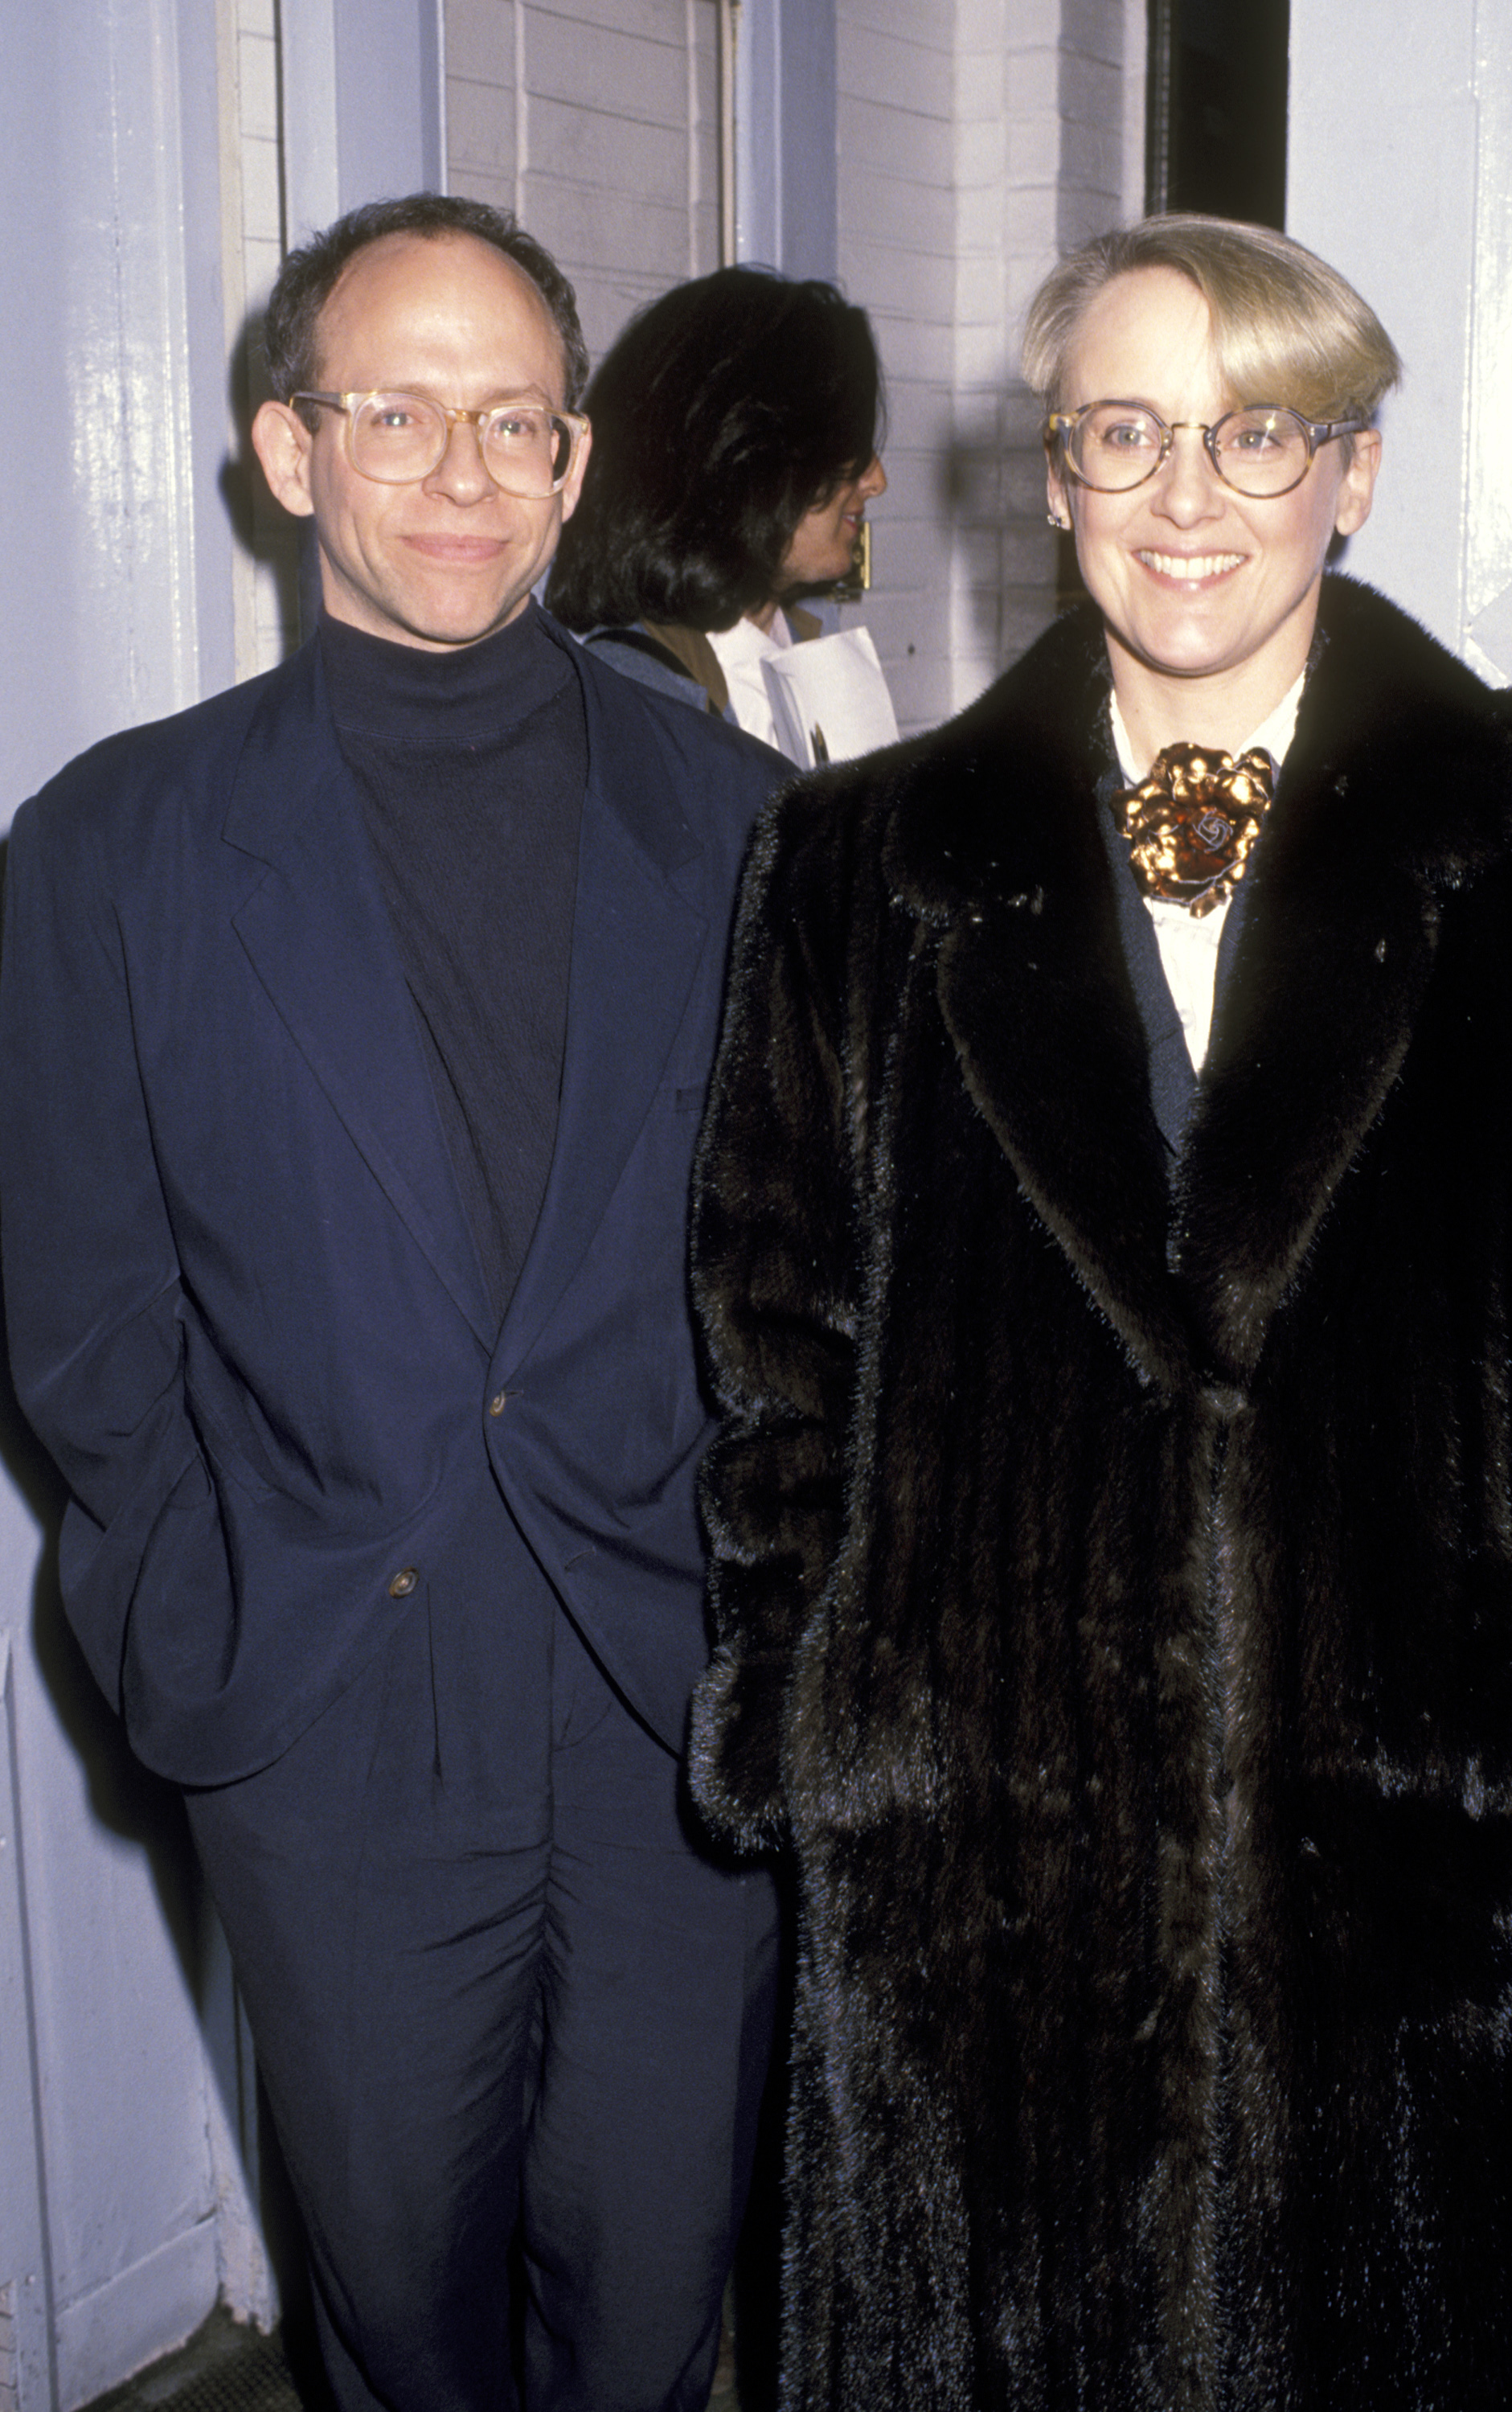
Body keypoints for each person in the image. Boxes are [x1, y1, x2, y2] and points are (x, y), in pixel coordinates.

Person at [684, 213, 1512, 2410]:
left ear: (1355, 469)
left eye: (1253, 432)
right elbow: (771, 1340)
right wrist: (817, 1728)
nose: (1187, 495)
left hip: (1427, 1922)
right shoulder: (844, 862)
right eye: (1127, 430)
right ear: (1055, 473)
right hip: (967, 1939)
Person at [0, 193, 785, 2412]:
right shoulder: (111, 848)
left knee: (650, 2310)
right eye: (398, 413)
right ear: (288, 448)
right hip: (331, 1705)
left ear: (574, 459)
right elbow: (78, 1315)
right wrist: (200, 1609)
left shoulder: (745, 827)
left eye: (512, 421)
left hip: (670, 1709)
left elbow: (812, 1265)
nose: (460, 473)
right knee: (398, 2330)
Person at [545, 265, 887, 749]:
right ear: (746, 462)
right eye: (844, 447)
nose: (877, 481)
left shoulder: (804, 654)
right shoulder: (634, 699)